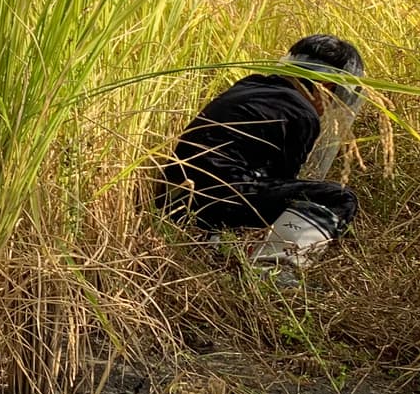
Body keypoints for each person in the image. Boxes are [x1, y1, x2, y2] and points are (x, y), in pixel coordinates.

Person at [155, 35, 366, 277]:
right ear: (326, 87)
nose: (328, 107)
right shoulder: (302, 112)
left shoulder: (250, 85)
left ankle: (214, 246)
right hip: (217, 201)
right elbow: (283, 182)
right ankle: (272, 273)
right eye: (336, 97)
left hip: (174, 198)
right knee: (339, 198)